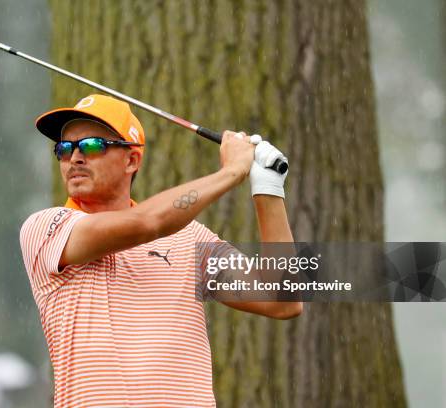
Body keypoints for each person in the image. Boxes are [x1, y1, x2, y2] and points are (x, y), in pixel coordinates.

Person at [20, 94, 303, 408]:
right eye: (64, 149)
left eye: (91, 146)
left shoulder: (190, 238)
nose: (74, 158)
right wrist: (231, 172)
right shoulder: (47, 228)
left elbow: (283, 300)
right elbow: (147, 223)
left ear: (131, 160)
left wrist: (268, 188)